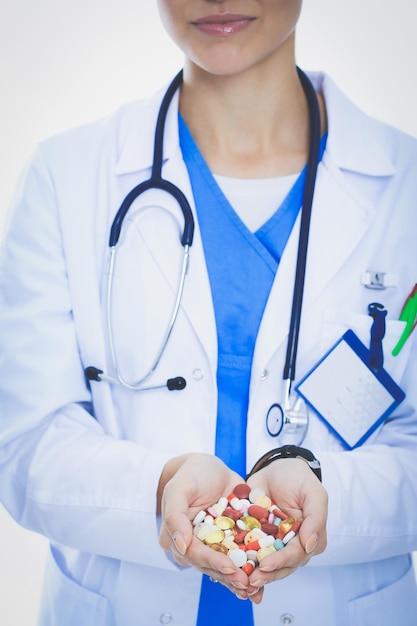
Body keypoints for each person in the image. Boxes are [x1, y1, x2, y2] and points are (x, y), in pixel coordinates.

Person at [1, 1, 417, 624]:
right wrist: (159, 484)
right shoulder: (67, 177)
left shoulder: (404, 187)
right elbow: (27, 446)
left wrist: (324, 492)